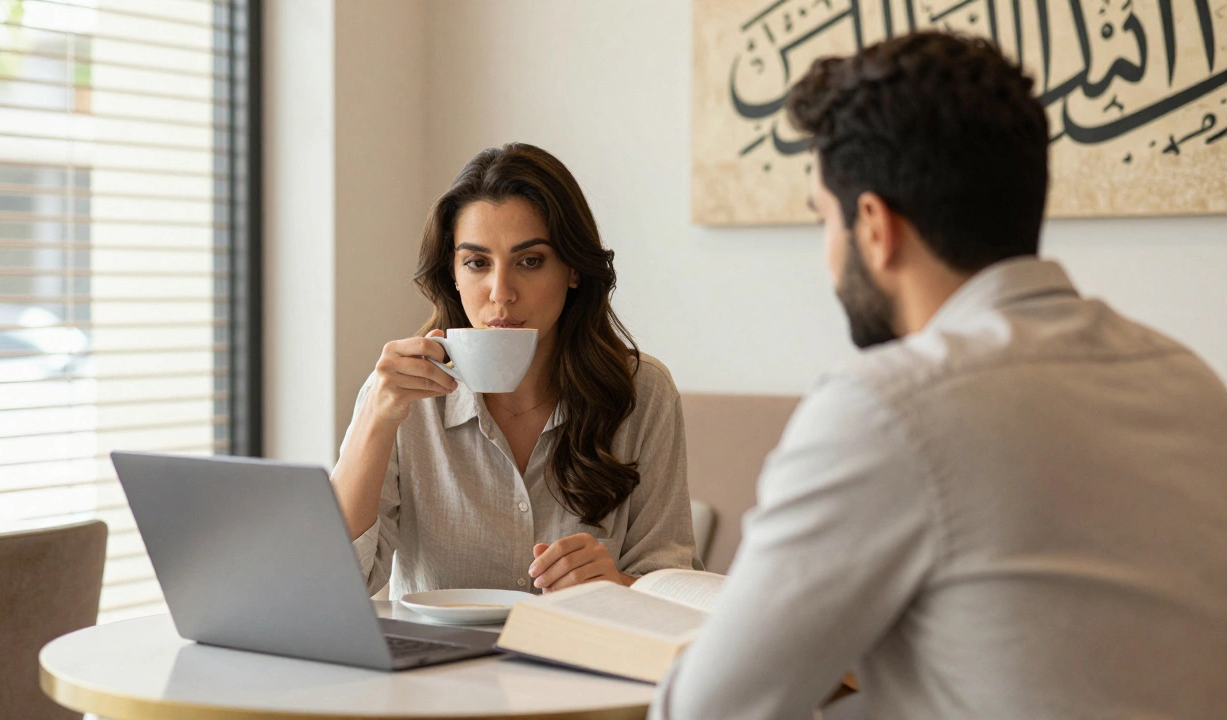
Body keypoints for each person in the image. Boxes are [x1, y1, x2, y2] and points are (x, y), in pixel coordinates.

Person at [653, 32, 1227, 719]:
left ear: (873, 226)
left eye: (823, 220)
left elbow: (708, 711)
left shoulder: (887, 409)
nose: (827, 257)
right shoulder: (1191, 384)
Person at [332, 142, 699, 599]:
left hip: (580, 664)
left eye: (530, 261)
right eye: (477, 263)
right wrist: (374, 419)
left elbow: (675, 587)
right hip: (437, 670)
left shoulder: (643, 393)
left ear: (573, 270)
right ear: (453, 274)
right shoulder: (399, 396)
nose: (501, 292)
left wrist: (618, 584)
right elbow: (337, 584)